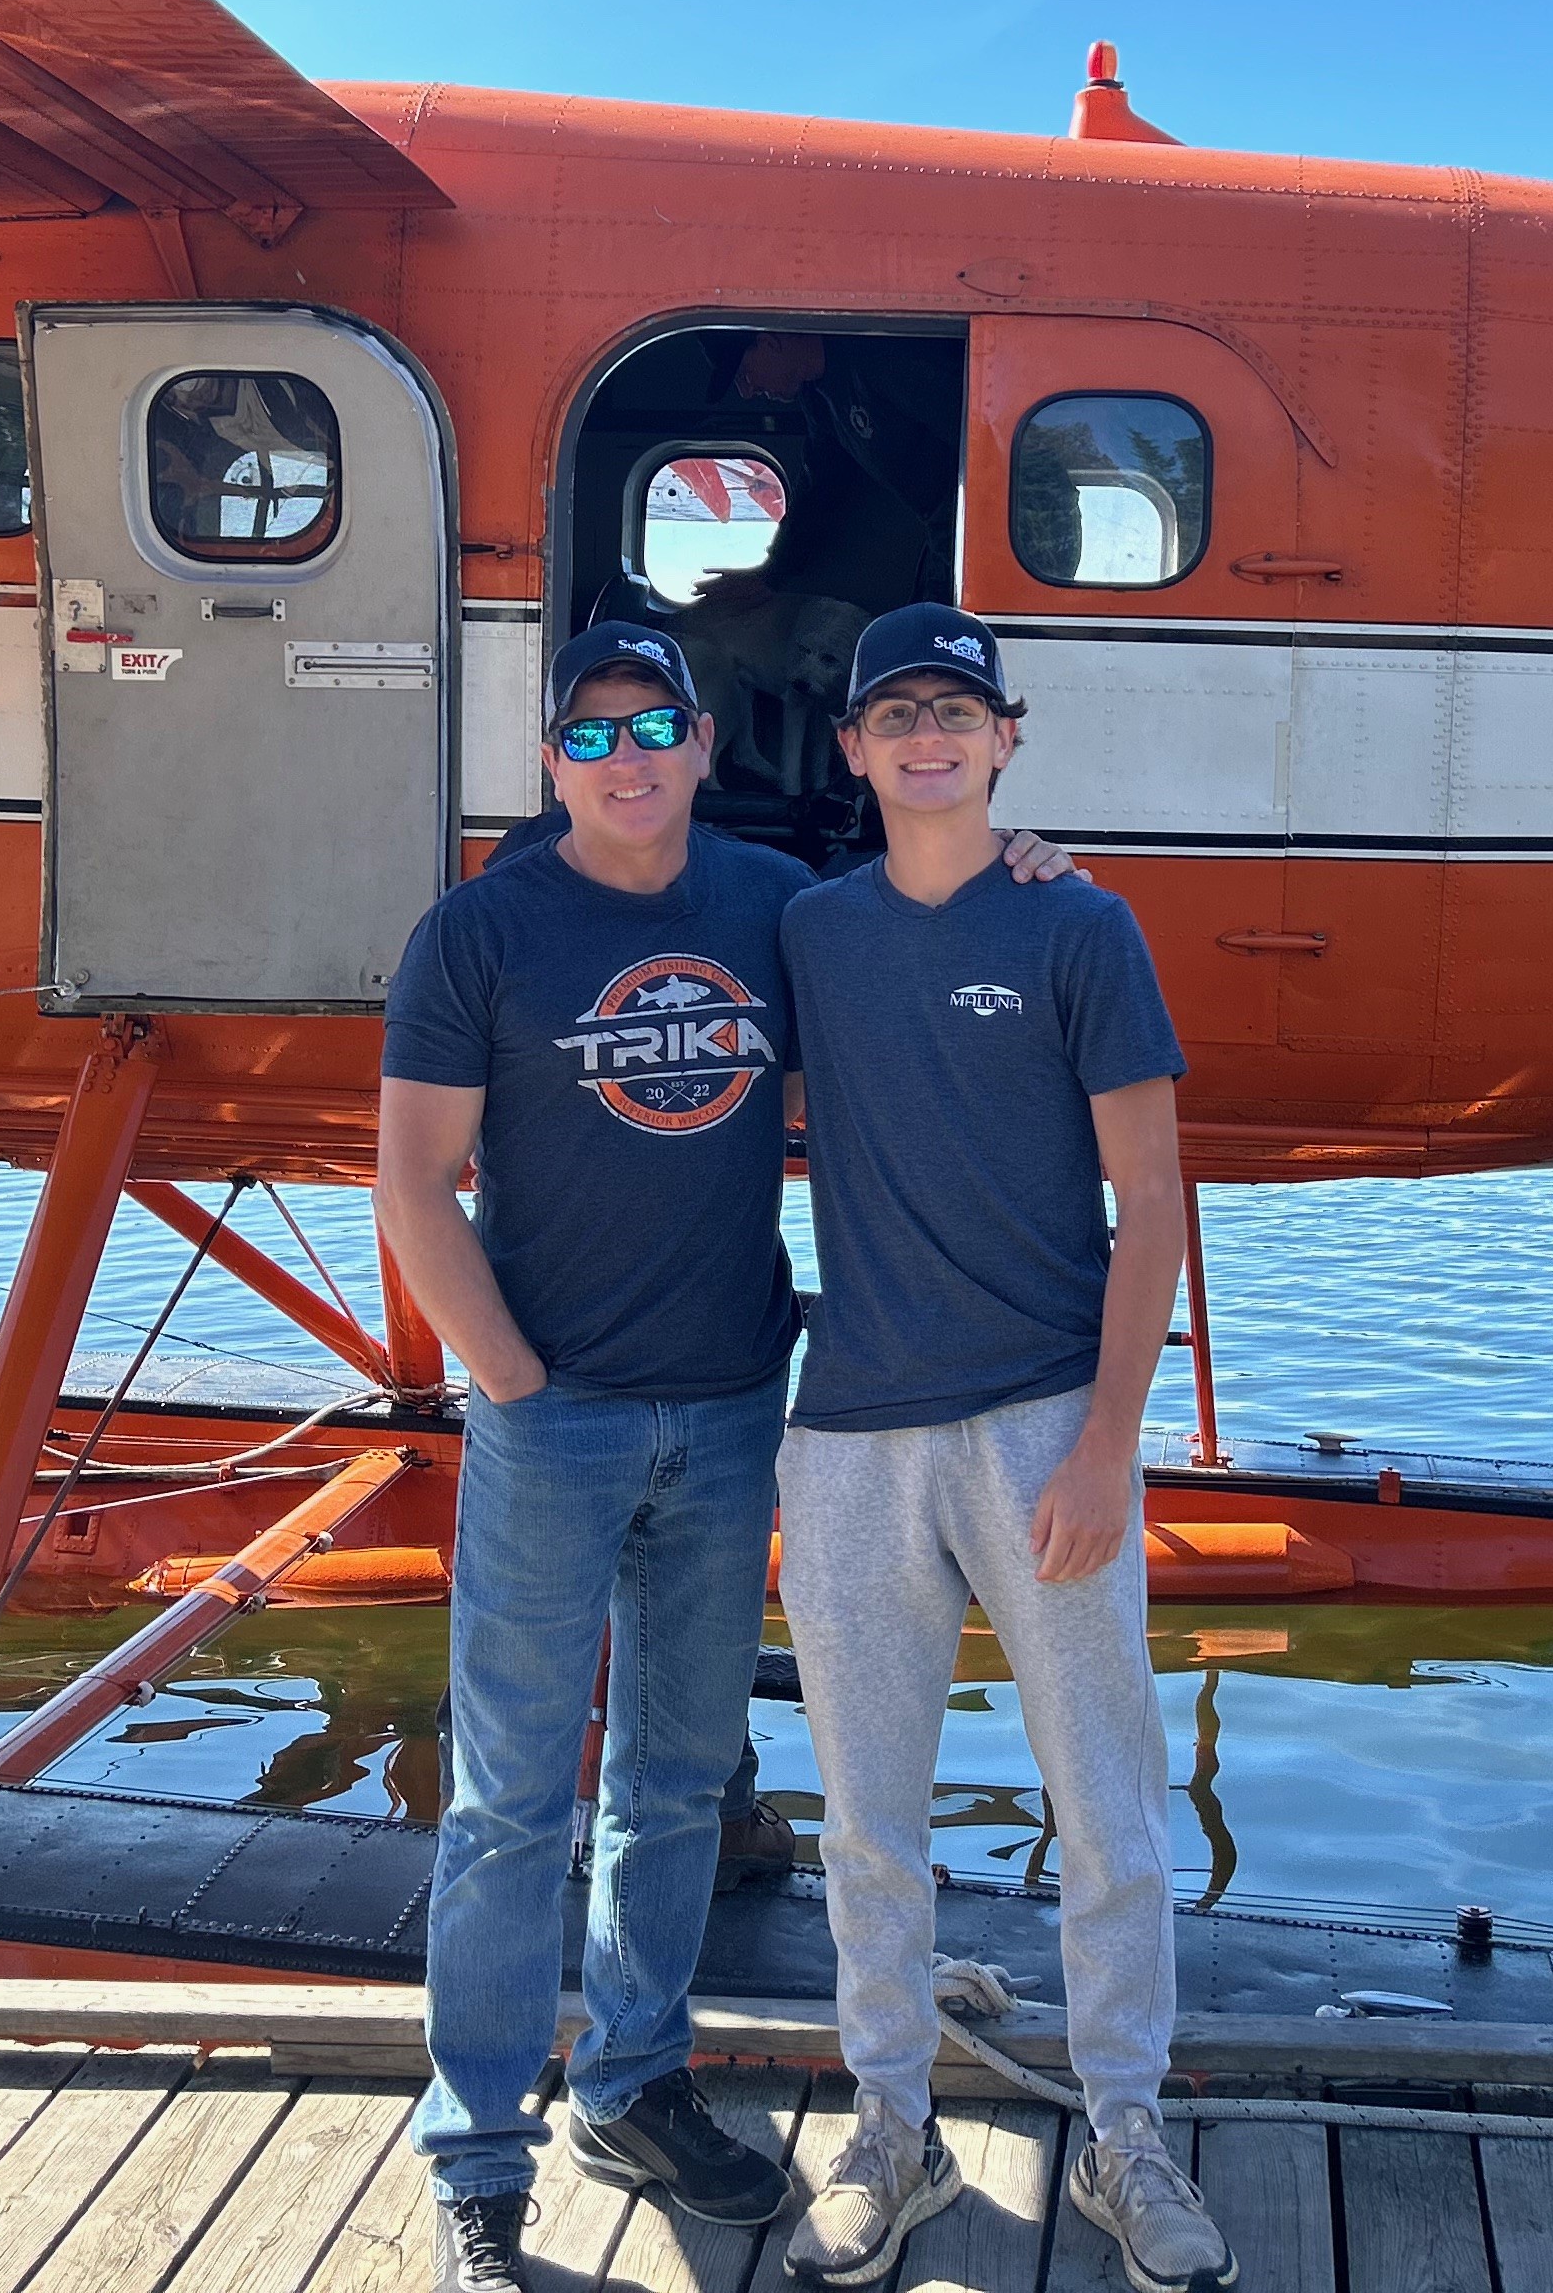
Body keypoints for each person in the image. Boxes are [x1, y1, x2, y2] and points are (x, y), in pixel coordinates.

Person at [383, 621, 1078, 2293]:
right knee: (503, 1803)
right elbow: (412, 1181)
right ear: (552, 762)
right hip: (556, 1425)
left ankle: (631, 2079)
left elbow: (925, 921)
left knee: (677, 1784)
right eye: (593, 733)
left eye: (658, 726)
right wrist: (513, 1383)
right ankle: (479, 2160)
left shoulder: (776, 908)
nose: (628, 758)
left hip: (729, 1407)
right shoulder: (476, 933)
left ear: (706, 747)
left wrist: (1029, 868)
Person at [770, 606, 1233, 2293]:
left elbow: (1155, 1198)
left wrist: (1111, 1441)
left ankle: (1125, 2127)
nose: (926, 739)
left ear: (1008, 737)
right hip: (850, 1439)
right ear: (853, 752)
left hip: (1044, 1418)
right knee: (869, 1819)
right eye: (894, 713)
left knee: (1108, 1806)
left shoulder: (1080, 924)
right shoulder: (803, 928)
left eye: (955, 712)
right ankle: (887, 2121)